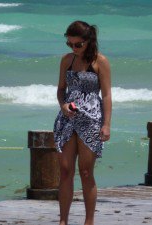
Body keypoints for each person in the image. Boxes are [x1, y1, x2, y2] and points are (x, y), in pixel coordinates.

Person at [53, 21, 112, 225]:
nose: (74, 48)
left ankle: (89, 221)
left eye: (78, 44)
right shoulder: (66, 60)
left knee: (86, 172)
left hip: (91, 120)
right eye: (70, 44)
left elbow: (106, 95)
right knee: (65, 170)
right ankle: (63, 221)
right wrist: (62, 105)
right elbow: (61, 89)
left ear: (88, 41)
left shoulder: (100, 61)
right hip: (68, 119)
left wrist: (106, 124)